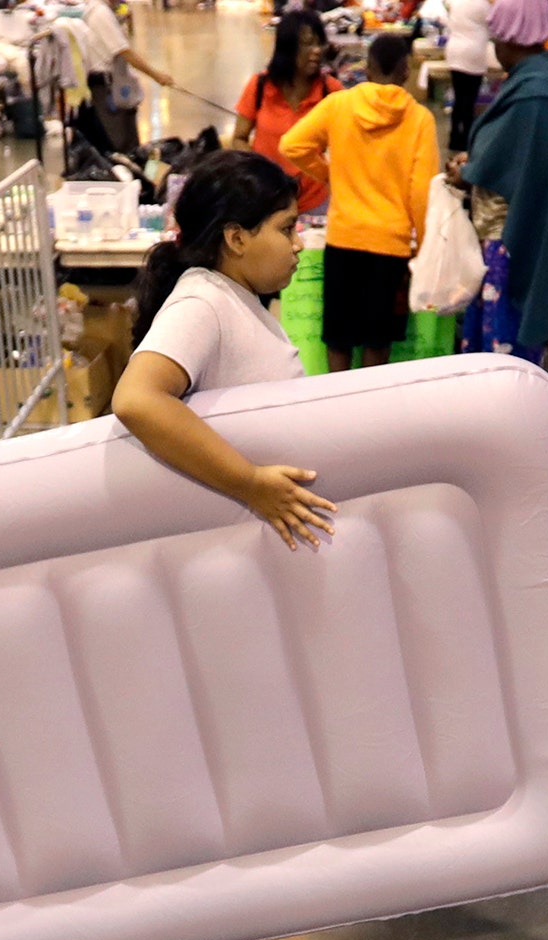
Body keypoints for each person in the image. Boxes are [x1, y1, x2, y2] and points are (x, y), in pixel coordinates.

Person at [112, 151, 334, 553]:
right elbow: (136, 400)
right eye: (287, 229)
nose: (299, 244)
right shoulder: (203, 303)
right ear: (236, 239)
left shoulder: (233, 297)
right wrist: (250, 483)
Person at [279, 33, 439, 374]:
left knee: (339, 337)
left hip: (344, 240)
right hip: (391, 247)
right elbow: (422, 193)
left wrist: (330, 174)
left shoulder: (340, 104)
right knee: (377, 341)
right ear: (405, 69)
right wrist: (423, 249)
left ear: (367, 68)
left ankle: (337, 415)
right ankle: (371, 415)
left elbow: (292, 145)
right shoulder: (419, 119)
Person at [450, 0, 548, 362]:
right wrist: (475, 166)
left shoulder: (536, 96)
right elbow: (508, 153)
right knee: (488, 345)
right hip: (496, 243)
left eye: (498, 41)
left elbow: (523, 173)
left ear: (513, 41)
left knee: (502, 352)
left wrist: (470, 172)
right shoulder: (529, 86)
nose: (496, 50)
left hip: (509, 246)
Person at [232, 10, 340, 213]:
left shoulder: (331, 91)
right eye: (307, 44)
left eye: (319, 43)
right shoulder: (259, 86)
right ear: (287, 48)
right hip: (265, 201)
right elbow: (238, 138)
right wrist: (261, 171)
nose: (316, 51)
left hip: (316, 204)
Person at [69, 0, 175, 154]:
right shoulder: (100, 13)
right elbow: (123, 51)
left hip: (111, 83)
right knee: (121, 144)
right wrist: (156, 75)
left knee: (125, 140)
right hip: (106, 87)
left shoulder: (100, 10)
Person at [443, 0, 493, 153]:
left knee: (459, 98)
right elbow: (493, 24)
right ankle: (467, 138)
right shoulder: (483, 5)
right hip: (474, 51)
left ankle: (454, 138)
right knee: (470, 99)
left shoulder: (456, 2)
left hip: (455, 50)